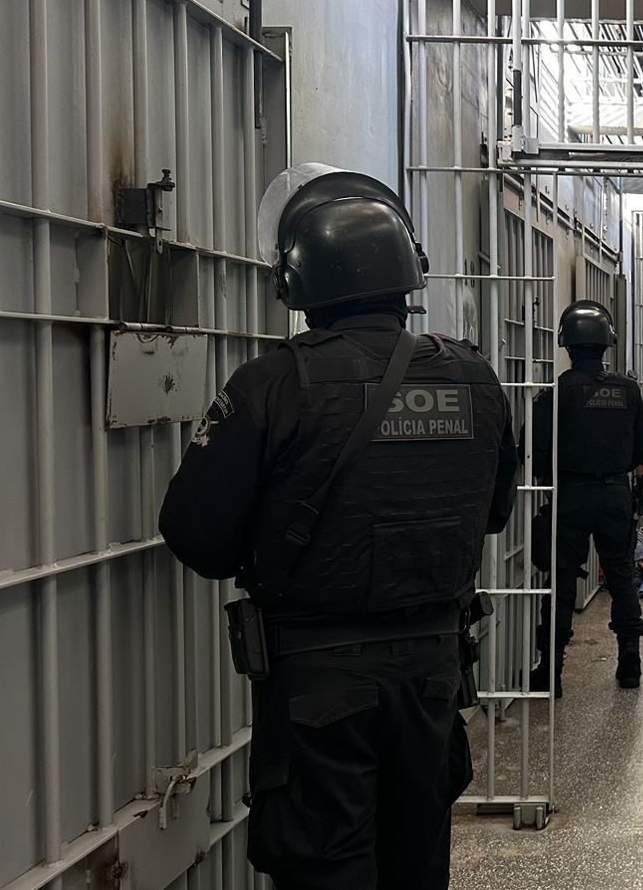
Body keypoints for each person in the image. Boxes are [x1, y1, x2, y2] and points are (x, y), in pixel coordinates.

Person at [159, 164, 518, 889]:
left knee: (326, 869)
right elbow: (495, 515)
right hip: (433, 674)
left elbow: (196, 535)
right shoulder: (474, 379)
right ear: (408, 274)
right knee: (417, 861)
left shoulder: (271, 384)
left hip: (317, 680)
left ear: (297, 284)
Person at [530, 300, 643, 697]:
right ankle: (630, 662)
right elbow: (640, 451)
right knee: (621, 576)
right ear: (607, 342)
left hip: (570, 495)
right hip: (615, 493)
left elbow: (537, 452)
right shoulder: (629, 390)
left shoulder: (556, 392)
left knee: (561, 581)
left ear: (567, 344)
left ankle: (551, 671)